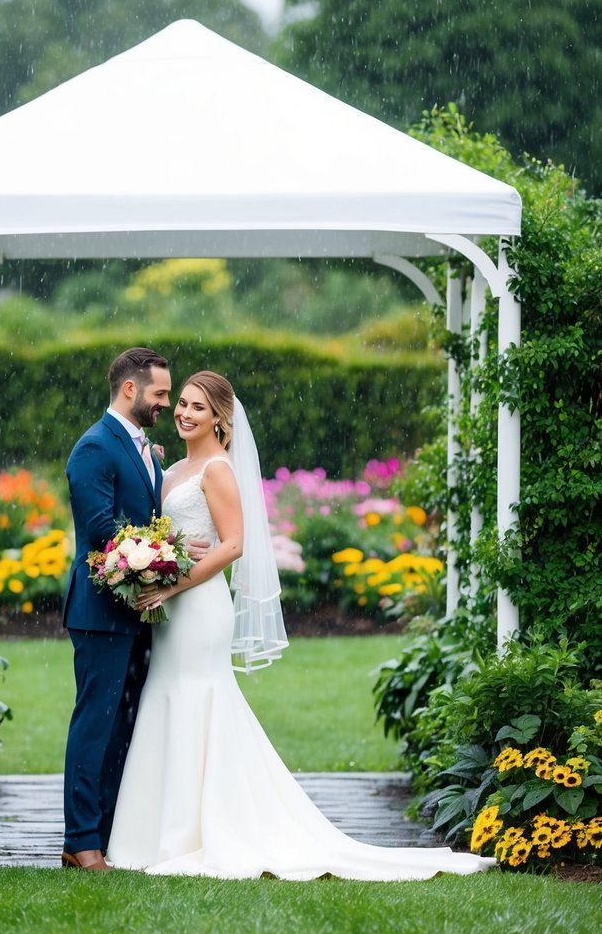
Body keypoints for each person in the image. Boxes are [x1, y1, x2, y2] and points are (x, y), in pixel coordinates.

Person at [106, 370, 496, 880]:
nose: (183, 413)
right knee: (167, 698)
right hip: (171, 609)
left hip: (199, 608)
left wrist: (172, 584)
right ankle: (153, 837)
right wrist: (157, 558)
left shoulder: (219, 469)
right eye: (180, 403)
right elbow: (175, 532)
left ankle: (201, 833)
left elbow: (233, 544)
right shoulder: (173, 468)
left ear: (220, 417)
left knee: (201, 700)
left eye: (197, 407)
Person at [61, 346, 171, 871]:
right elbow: (102, 529)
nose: (165, 405)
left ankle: (105, 835)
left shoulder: (138, 445)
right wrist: (166, 554)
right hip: (101, 612)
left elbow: (138, 507)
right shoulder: (93, 448)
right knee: (95, 724)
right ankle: (80, 840)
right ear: (130, 388)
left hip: (135, 610)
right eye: (160, 394)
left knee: (123, 726)